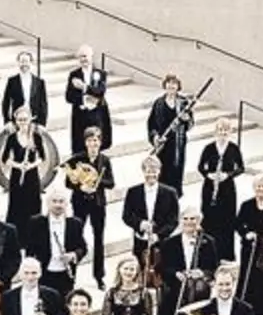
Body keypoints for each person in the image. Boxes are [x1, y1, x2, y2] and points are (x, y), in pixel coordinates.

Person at [65, 127, 115, 288]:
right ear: (85, 142)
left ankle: (99, 276)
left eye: (96, 141)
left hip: (98, 204)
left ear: (100, 143)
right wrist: (81, 187)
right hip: (80, 203)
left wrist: (96, 183)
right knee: (75, 238)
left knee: (98, 239)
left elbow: (111, 183)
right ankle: (71, 275)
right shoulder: (77, 159)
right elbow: (68, 182)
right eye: (90, 140)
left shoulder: (105, 160)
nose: (93, 144)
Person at [25, 187, 87, 299]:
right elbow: (30, 250)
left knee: (65, 308)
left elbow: (82, 247)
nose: (58, 205)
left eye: (61, 201)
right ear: (48, 203)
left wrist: (73, 255)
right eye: (54, 201)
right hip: (44, 273)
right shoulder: (36, 222)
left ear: (66, 204)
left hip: (66, 275)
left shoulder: (75, 223)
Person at [197, 118, 244, 263]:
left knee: (227, 221)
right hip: (210, 187)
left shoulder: (233, 148)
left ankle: (226, 255)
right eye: (220, 130)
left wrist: (228, 175)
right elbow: (200, 167)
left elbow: (241, 168)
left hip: (227, 188)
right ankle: (210, 254)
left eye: (225, 130)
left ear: (229, 132)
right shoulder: (209, 148)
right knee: (210, 219)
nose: (223, 133)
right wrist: (208, 175)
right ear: (215, 132)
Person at [233, 175, 263, 315]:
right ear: (254, 188)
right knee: (247, 278)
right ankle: (243, 311)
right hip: (250, 249)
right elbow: (238, 224)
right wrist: (246, 234)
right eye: (259, 186)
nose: (261, 189)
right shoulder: (247, 205)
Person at [123, 155, 181, 265]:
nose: (151, 175)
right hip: (140, 240)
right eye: (148, 171)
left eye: (154, 171)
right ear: (143, 172)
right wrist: (140, 224)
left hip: (162, 242)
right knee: (140, 272)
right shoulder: (133, 192)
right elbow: (126, 216)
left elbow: (173, 220)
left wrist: (158, 235)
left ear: (159, 171)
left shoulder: (170, 193)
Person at [2, 106, 50, 234]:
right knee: (17, 205)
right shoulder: (11, 138)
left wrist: (31, 165)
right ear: (15, 121)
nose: (22, 123)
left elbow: (43, 157)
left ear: (30, 120)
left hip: (32, 176)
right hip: (17, 176)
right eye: (19, 120)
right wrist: (18, 165)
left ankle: (32, 237)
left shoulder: (35, 137)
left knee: (32, 204)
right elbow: (4, 159)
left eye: (25, 119)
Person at [147, 74, 193, 193]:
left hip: (177, 145)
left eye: (174, 83)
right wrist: (155, 137)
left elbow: (191, 124)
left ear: (178, 86)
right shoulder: (158, 103)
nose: (171, 86)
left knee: (176, 173)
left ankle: (175, 200)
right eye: (169, 83)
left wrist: (187, 119)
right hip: (163, 144)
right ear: (165, 85)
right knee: (162, 173)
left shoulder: (183, 102)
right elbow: (151, 124)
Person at [65, 46, 111, 155]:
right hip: (80, 115)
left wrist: (84, 87)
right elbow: (68, 96)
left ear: (91, 57)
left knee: (96, 144)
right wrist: (83, 99)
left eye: (85, 56)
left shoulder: (100, 74)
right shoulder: (74, 75)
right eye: (80, 57)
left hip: (97, 115)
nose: (83, 59)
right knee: (80, 146)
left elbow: (100, 91)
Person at [0, 50, 48, 127]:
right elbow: (6, 102)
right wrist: (7, 121)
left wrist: (42, 123)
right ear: (18, 63)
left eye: (26, 61)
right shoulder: (12, 81)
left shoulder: (39, 82)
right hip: (17, 121)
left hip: (34, 120)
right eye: (22, 61)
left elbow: (43, 104)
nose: (24, 64)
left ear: (31, 63)